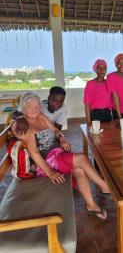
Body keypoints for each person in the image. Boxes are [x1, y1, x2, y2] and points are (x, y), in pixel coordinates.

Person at [11, 92, 110, 220]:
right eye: (32, 107)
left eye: (37, 106)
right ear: (23, 108)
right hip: (46, 162)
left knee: (79, 170)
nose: (36, 110)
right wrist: (50, 172)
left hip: (57, 153)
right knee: (82, 158)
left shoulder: (40, 116)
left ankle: (92, 205)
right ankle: (105, 186)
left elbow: (55, 130)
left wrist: (61, 138)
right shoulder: (21, 126)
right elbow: (34, 153)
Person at [84, 59, 112, 127]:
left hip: (107, 114)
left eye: (104, 68)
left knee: (108, 134)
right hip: (95, 114)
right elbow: (87, 104)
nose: (102, 70)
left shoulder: (109, 83)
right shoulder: (90, 84)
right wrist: (88, 121)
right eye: (99, 68)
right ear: (95, 69)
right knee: (96, 135)